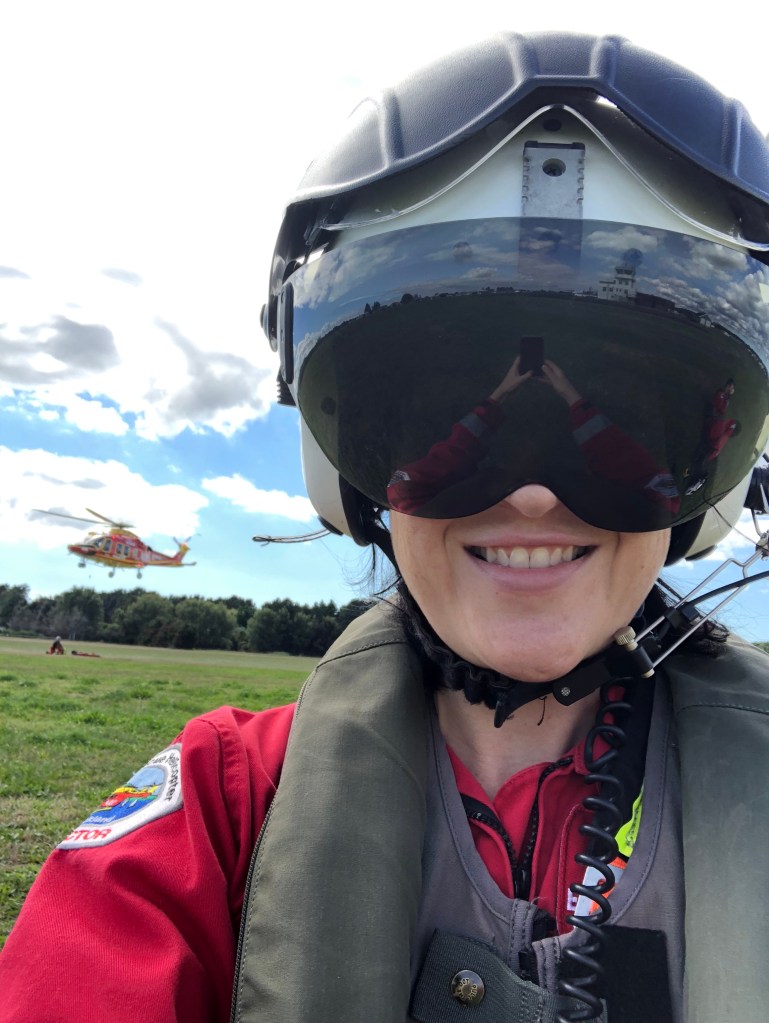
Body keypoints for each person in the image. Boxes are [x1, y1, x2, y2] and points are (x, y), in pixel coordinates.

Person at [3, 31, 769, 1023]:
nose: (533, 497)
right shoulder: (219, 816)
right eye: (444, 416)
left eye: (619, 419)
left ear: (707, 479)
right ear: (347, 471)